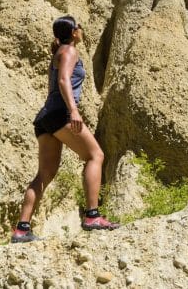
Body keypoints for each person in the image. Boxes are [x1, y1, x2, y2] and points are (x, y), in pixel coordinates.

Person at [12, 15, 119, 242]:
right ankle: (92, 216)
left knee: (45, 174)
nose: (81, 29)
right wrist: (73, 110)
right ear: (72, 32)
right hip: (60, 114)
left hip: (46, 117)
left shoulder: (58, 53)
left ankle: (22, 229)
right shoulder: (69, 51)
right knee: (95, 155)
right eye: (79, 26)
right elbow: (63, 81)